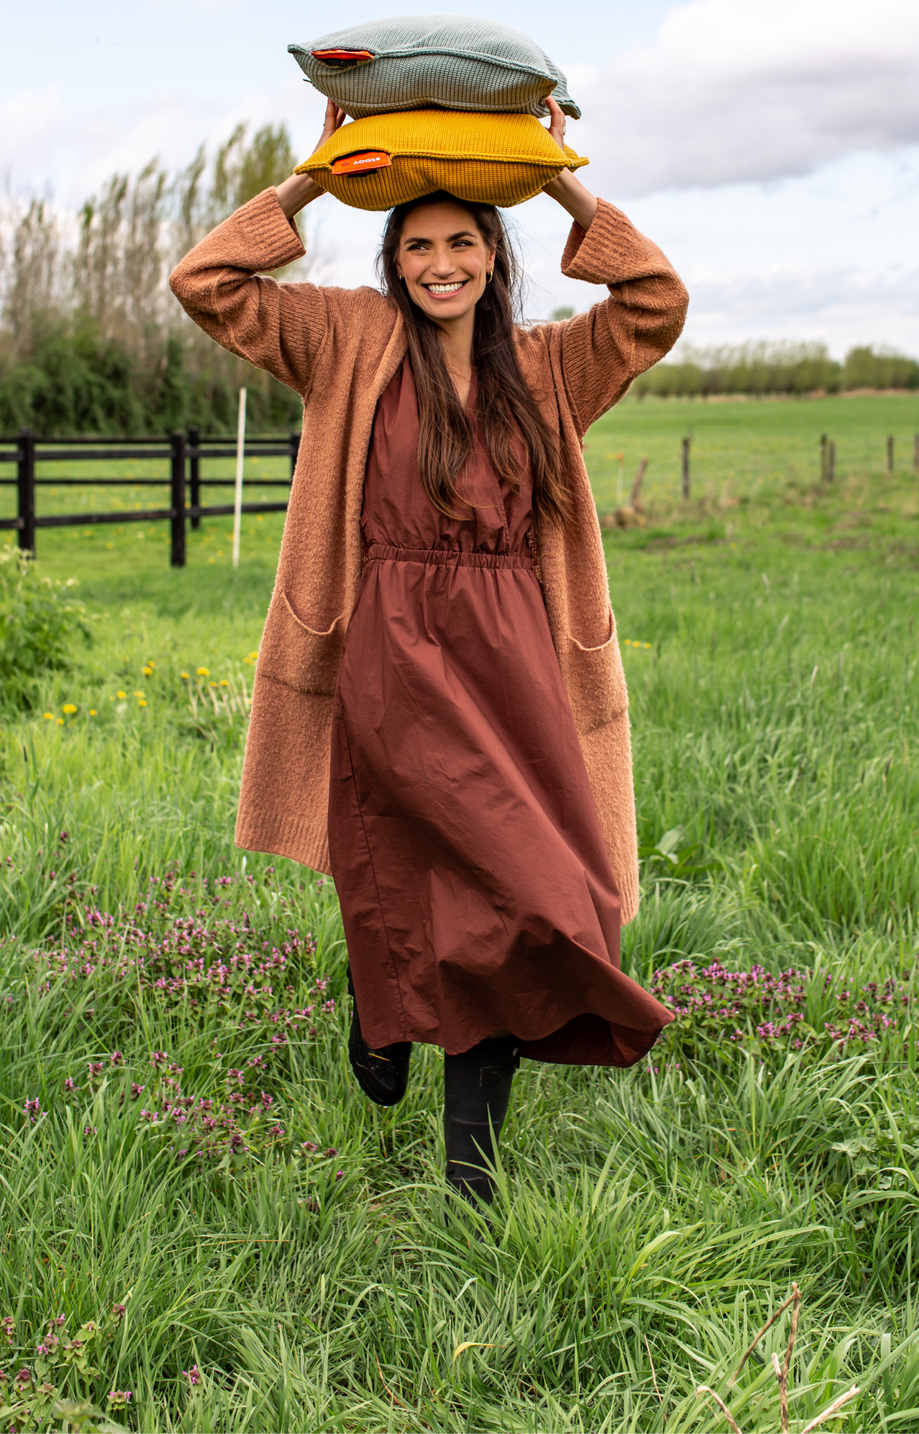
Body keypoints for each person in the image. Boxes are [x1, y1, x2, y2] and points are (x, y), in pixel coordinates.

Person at [170, 98, 689, 1209]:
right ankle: (394, 1018)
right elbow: (206, 283)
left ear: (495, 256)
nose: (440, 262)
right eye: (418, 244)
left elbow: (656, 299)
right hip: (393, 657)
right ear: (393, 261)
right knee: (404, 870)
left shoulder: (553, 364)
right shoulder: (346, 338)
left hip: (518, 669)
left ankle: (459, 1152)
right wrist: (314, 176)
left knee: (545, 896)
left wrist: (546, 174)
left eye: (462, 241)